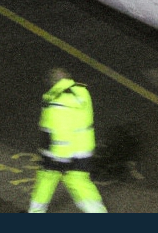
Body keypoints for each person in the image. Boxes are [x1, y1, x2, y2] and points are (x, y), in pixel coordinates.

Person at [28, 68, 107, 213]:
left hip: (60, 154)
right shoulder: (82, 92)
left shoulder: (56, 101)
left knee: (46, 180)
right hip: (83, 150)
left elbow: (60, 131)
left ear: (53, 82)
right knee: (80, 184)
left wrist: (58, 159)